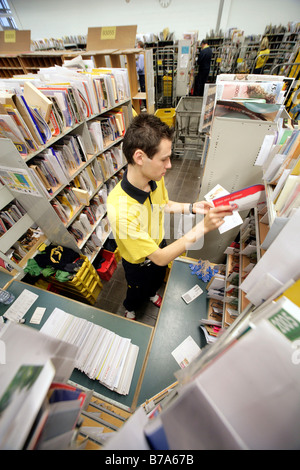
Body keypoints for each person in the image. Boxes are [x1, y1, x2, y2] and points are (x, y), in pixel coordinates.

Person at [107, 114, 233, 319]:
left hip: (159, 242)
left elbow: (164, 204)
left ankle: (150, 293)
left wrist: (193, 207)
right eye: (164, 159)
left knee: (155, 281)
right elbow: (159, 257)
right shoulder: (120, 210)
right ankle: (130, 308)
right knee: (135, 290)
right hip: (138, 262)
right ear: (139, 157)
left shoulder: (154, 178)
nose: (169, 165)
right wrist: (202, 227)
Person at [136, 41, 146, 110]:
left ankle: (145, 106)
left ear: (139, 46)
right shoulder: (142, 54)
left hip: (142, 75)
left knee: (143, 90)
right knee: (143, 89)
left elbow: (140, 67)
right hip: (142, 74)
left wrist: (135, 67)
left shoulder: (141, 55)